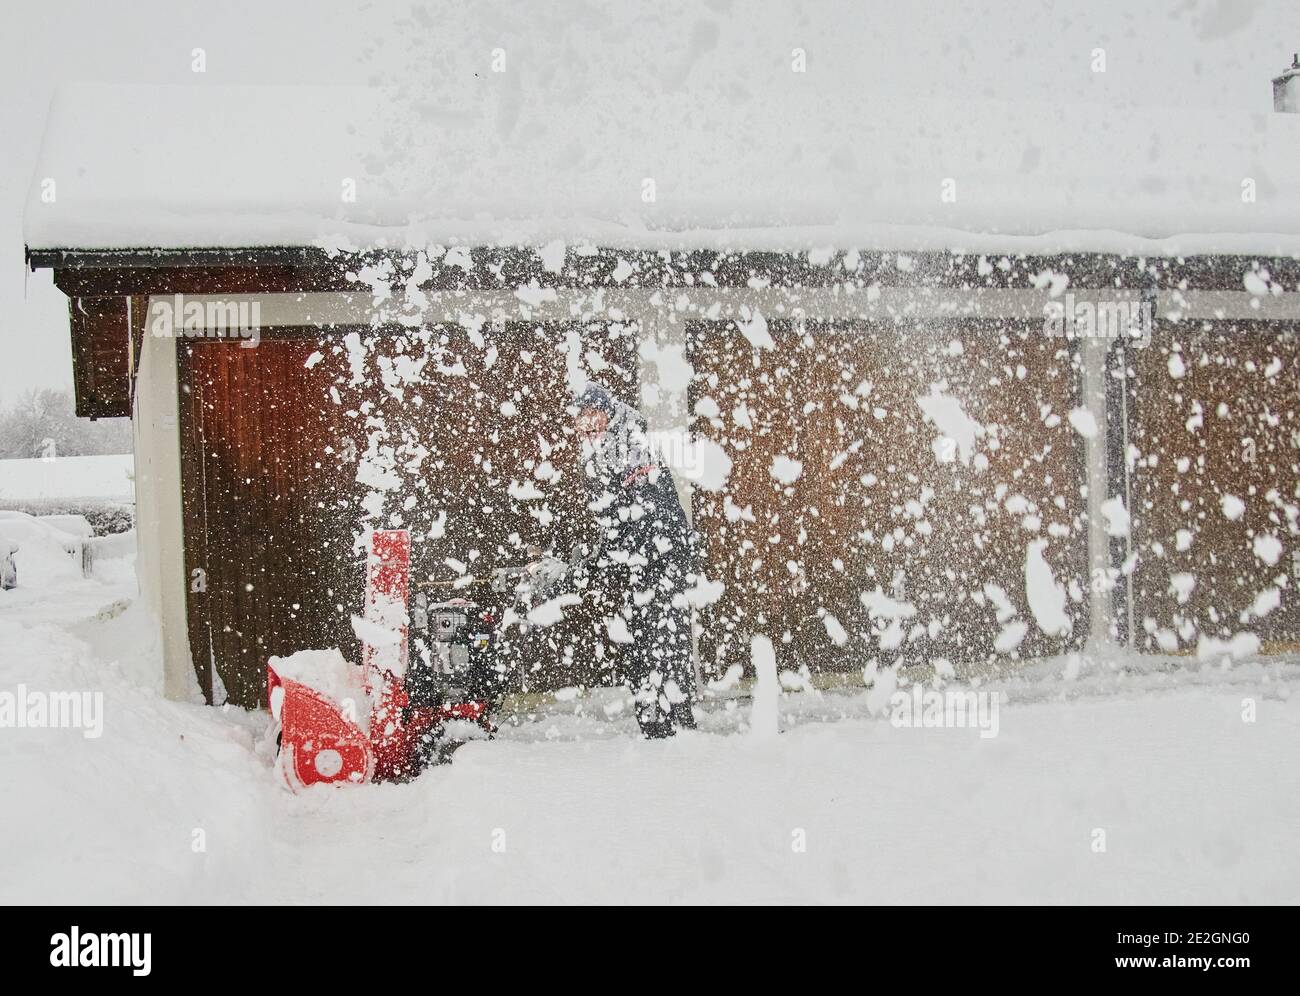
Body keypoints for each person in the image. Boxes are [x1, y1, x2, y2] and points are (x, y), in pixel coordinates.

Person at [570, 382, 699, 738]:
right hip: (641, 558)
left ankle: (669, 719)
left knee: (661, 637)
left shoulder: (632, 444)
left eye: (591, 414)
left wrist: (607, 556)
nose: (586, 423)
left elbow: (643, 509)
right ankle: (662, 716)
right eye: (581, 418)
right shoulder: (603, 447)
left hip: (664, 555)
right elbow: (611, 513)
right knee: (646, 637)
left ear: (607, 413)